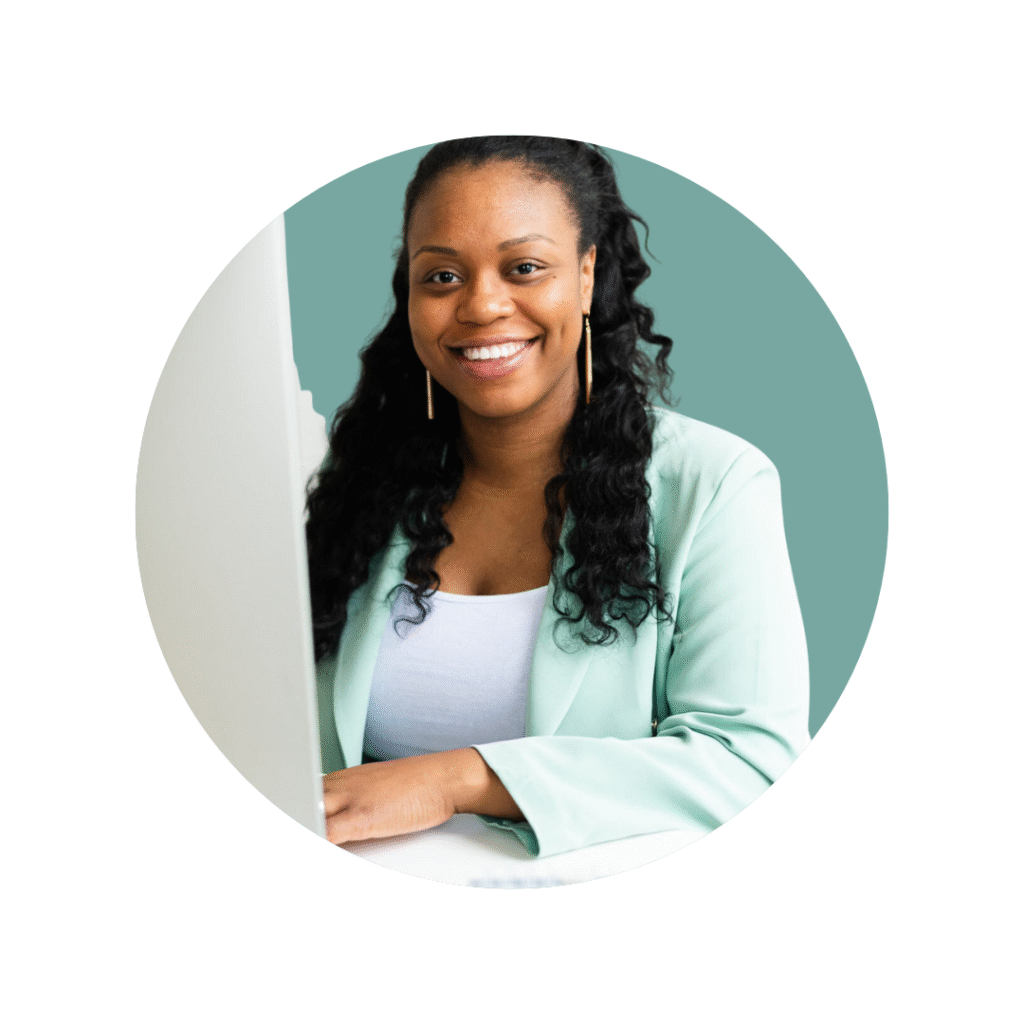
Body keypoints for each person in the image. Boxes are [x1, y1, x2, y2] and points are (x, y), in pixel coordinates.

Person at [305, 136, 810, 858]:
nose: (481, 305)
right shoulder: (358, 488)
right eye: (442, 275)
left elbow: (753, 763)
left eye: (524, 268)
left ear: (585, 274)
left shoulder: (714, 483)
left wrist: (462, 779)